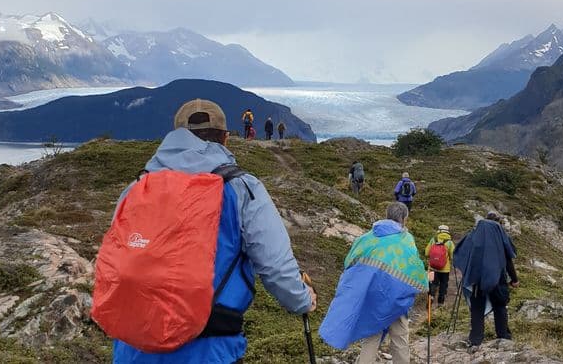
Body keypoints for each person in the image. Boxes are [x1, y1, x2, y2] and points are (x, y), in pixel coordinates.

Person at [111, 99, 316, 363]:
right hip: (209, 350)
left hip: (134, 348)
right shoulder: (243, 187)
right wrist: (301, 299)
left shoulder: (135, 189)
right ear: (225, 139)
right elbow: (275, 265)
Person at [319, 202, 428, 364]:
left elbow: (349, 262)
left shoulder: (366, 238)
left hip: (371, 297)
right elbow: (414, 267)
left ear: (387, 214)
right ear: (404, 218)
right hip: (395, 298)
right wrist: (426, 280)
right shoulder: (405, 239)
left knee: (371, 336)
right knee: (400, 338)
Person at [453, 212, 519, 348]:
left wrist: (467, 273)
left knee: (477, 308)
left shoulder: (474, 235)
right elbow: (508, 260)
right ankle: (503, 337)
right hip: (498, 279)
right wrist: (514, 279)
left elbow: (462, 252)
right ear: (497, 223)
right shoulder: (500, 236)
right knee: (500, 306)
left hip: (477, 279)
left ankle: (475, 340)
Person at [425, 224, 455, 307]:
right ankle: (440, 303)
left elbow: (426, 253)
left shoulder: (433, 240)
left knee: (433, 284)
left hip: (433, 267)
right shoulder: (449, 242)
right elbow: (452, 256)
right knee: (443, 285)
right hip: (445, 269)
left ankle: (430, 298)